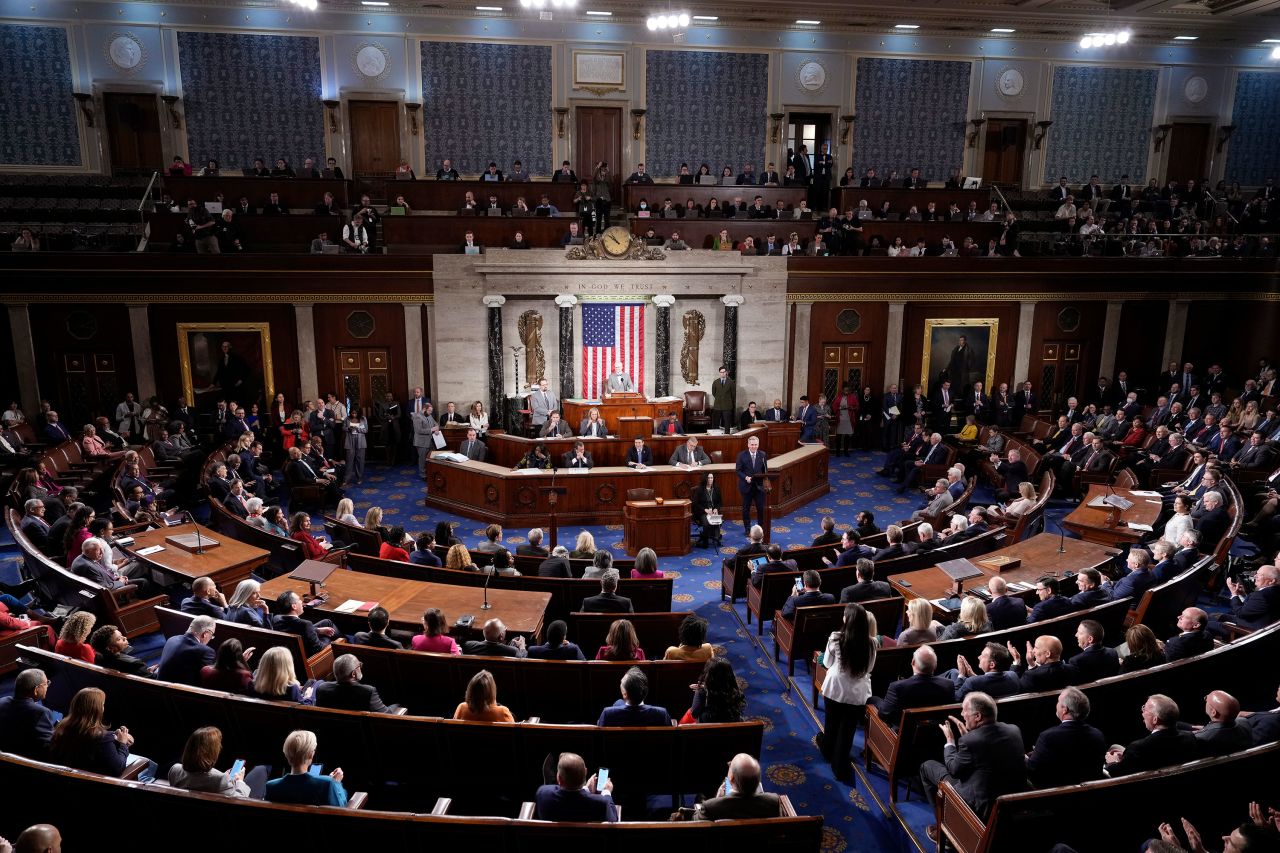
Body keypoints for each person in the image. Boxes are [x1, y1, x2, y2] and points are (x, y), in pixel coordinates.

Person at [920, 691, 1027, 835]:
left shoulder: (970, 741)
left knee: (927, 766)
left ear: (978, 716)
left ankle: (944, 828)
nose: (962, 714)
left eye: (965, 710)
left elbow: (954, 770)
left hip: (981, 806)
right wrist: (969, 737)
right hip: (1011, 799)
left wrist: (950, 742)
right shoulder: (1014, 730)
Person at [819, 603, 875, 782]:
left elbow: (827, 663)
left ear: (847, 619)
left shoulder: (836, 637)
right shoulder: (872, 643)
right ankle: (840, 763)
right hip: (857, 693)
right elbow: (869, 668)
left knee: (831, 722)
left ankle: (828, 750)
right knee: (848, 729)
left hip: (835, 688)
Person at [50, 686, 154, 780]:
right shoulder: (102, 737)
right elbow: (117, 768)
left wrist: (116, 738)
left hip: (67, 782)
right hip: (99, 786)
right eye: (102, 705)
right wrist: (123, 744)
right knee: (151, 765)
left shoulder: (61, 728)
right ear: (96, 709)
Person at [1025, 687, 1107, 788]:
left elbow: (1033, 770)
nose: (1057, 704)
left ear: (1065, 710)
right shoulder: (1098, 735)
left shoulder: (1048, 737)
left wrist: (1026, 759)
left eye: (1058, 701)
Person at [1105, 694, 1199, 776]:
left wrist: (1112, 762)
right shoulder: (1190, 738)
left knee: (1112, 750)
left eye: (1144, 709)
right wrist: (1127, 756)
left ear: (1155, 720)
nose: (1142, 713)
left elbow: (1117, 773)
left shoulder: (1138, 748)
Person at [168, 726, 267, 799]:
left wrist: (224, 776)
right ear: (211, 752)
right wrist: (239, 781)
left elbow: (199, 780)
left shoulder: (175, 770)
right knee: (262, 769)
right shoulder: (220, 780)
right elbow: (240, 799)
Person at [870, 645, 956, 724]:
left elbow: (884, 714)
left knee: (873, 699)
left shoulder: (897, 687)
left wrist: (877, 701)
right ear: (935, 666)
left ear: (913, 662)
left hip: (901, 735)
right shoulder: (948, 684)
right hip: (934, 733)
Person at [264, 730, 347, 806]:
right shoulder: (327, 784)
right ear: (311, 754)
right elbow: (341, 810)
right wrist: (336, 783)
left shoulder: (270, 786)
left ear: (286, 754)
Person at [535, 752, 617, 822]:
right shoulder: (600, 803)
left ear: (559, 778)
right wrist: (607, 792)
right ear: (585, 772)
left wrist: (586, 789)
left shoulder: (543, 793)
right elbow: (613, 821)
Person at [315, 654, 403, 714]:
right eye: (359, 665)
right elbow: (387, 714)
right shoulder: (368, 692)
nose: (360, 667)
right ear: (353, 674)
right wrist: (397, 704)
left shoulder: (322, 688)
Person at [0, 668, 57, 759]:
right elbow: (48, 747)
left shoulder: (2, 701)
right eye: (46, 684)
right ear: (36, 690)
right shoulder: (40, 712)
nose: (47, 687)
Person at [597, 666, 670, 725]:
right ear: (646, 691)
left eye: (621, 683)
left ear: (625, 694)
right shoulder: (662, 714)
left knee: (618, 702)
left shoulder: (607, 714)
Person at [157, 615, 217, 686]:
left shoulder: (172, 639)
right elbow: (206, 681)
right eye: (212, 635)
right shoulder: (206, 652)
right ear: (205, 634)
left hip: (158, 687)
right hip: (181, 694)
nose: (211, 638)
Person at [736, 434, 768, 535]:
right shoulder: (741, 455)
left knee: (760, 508)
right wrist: (746, 478)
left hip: (759, 487)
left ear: (758, 445)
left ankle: (760, 527)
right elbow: (738, 470)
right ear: (748, 445)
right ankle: (747, 528)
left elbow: (765, 471)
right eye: (752, 444)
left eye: (756, 445)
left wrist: (765, 479)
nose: (754, 446)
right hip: (746, 486)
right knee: (746, 509)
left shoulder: (762, 455)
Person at [462, 618, 527, 657]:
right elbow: (522, 659)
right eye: (504, 630)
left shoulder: (468, 645)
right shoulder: (513, 651)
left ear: (483, 632)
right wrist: (522, 647)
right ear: (501, 636)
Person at [692, 471, 723, 548]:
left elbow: (719, 502)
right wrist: (705, 510)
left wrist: (716, 508)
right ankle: (705, 541)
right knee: (706, 522)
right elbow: (695, 504)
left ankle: (715, 536)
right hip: (702, 512)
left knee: (718, 520)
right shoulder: (700, 490)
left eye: (711, 478)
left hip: (713, 511)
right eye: (708, 478)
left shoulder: (716, 488)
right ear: (705, 479)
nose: (710, 480)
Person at [710, 365, 736, 431]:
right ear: (719, 373)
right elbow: (714, 393)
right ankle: (715, 436)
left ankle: (726, 435)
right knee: (716, 423)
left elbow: (733, 394)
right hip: (717, 406)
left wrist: (727, 400)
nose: (722, 373)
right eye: (721, 372)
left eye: (724, 372)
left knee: (727, 423)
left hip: (727, 406)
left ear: (726, 373)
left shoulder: (731, 382)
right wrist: (720, 398)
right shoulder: (715, 382)